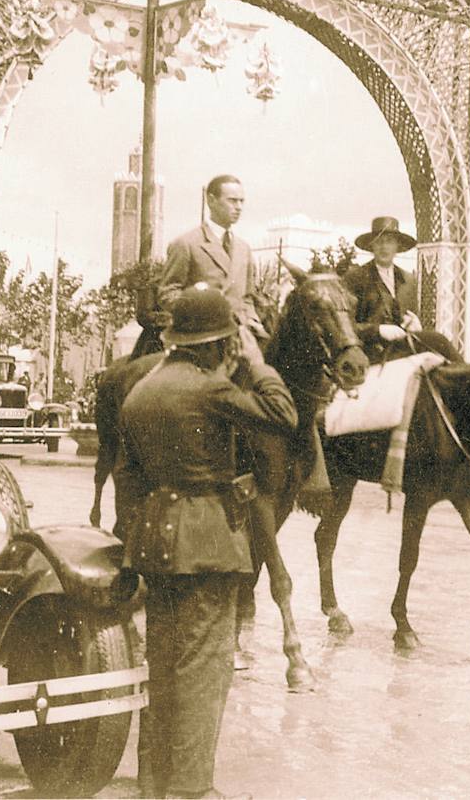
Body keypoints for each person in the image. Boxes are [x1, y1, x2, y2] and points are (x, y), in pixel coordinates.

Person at [114, 285, 296, 800]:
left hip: (155, 541)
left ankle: (153, 785)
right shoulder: (209, 388)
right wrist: (257, 361)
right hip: (207, 541)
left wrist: (131, 544)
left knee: (163, 666)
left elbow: (127, 479)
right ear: (219, 341)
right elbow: (284, 416)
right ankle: (192, 790)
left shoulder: (141, 389)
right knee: (203, 668)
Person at [159, 174, 267, 342]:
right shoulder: (186, 244)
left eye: (241, 201)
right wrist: (202, 312)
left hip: (240, 336)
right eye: (232, 200)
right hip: (199, 338)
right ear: (211, 201)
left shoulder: (243, 249)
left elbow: (247, 297)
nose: (238, 207)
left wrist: (252, 320)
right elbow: (168, 294)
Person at [343, 215, 462, 362]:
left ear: (397, 246)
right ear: (372, 245)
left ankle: (466, 378)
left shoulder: (408, 280)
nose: (384, 247)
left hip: (402, 349)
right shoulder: (356, 278)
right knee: (437, 340)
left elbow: (411, 316)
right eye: (379, 242)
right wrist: (377, 330)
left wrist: (415, 323)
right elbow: (345, 327)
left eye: (389, 242)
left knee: (438, 345)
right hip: (369, 351)